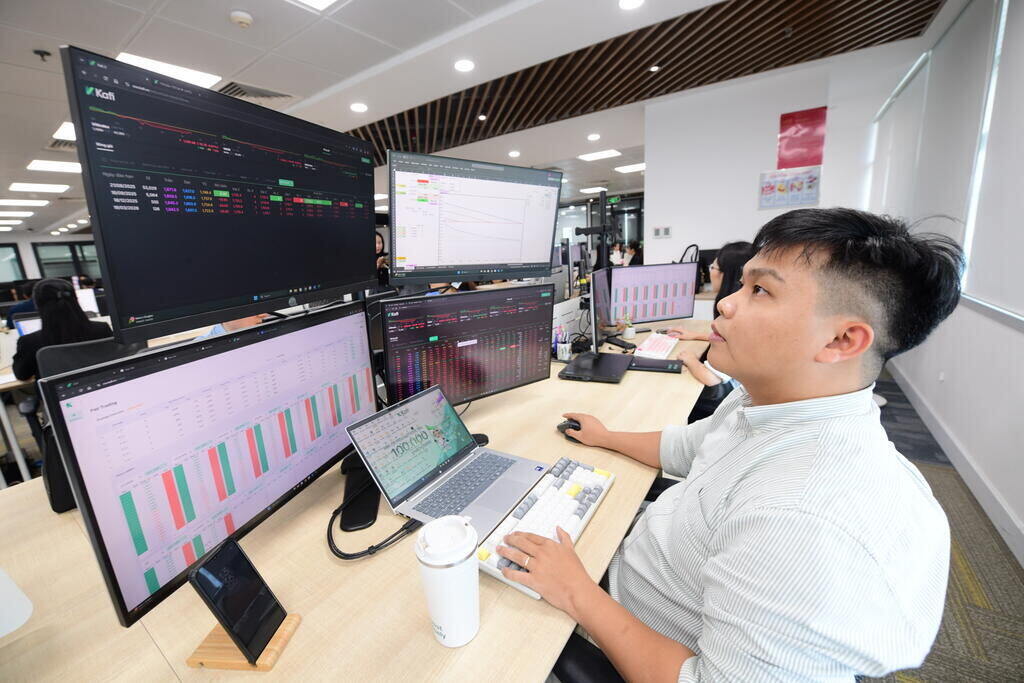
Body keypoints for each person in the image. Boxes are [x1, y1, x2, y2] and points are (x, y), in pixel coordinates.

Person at [496, 208, 962, 681]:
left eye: (760, 289)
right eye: (741, 284)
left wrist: (576, 590)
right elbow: (685, 447)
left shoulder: (802, 518)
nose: (725, 304)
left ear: (841, 340)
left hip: (620, 625)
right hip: (632, 569)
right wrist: (606, 437)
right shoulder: (764, 404)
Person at [668, 242, 755, 419]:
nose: (710, 271)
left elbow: (711, 379)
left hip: (727, 400)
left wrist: (691, 360)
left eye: (713, 267)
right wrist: (695, 336)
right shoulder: (748, 309)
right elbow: (729, 341)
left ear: (726, 275)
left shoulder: (736, 317)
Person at [12, 279, 112, 380]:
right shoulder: (102, 329)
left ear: (37, 305)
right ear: (76, 300)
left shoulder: (30, 342)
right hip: (103, 387)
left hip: (58, 394)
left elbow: (22, 375)